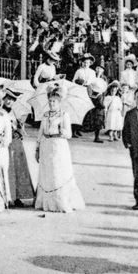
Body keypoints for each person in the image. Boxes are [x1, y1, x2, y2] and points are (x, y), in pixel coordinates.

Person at [35, 84, 85, 213]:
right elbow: (40, 132)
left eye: (54, 101)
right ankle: (45, 201)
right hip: (46, 144)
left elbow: (68, 134)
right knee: (47, 172)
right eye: (50, 101)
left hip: (58, 145)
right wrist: (37, 147)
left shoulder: (64, 115)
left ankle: (60, 201)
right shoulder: (45, 115)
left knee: (58, 171)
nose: (52, 103)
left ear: (59, 102)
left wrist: (62, 130)